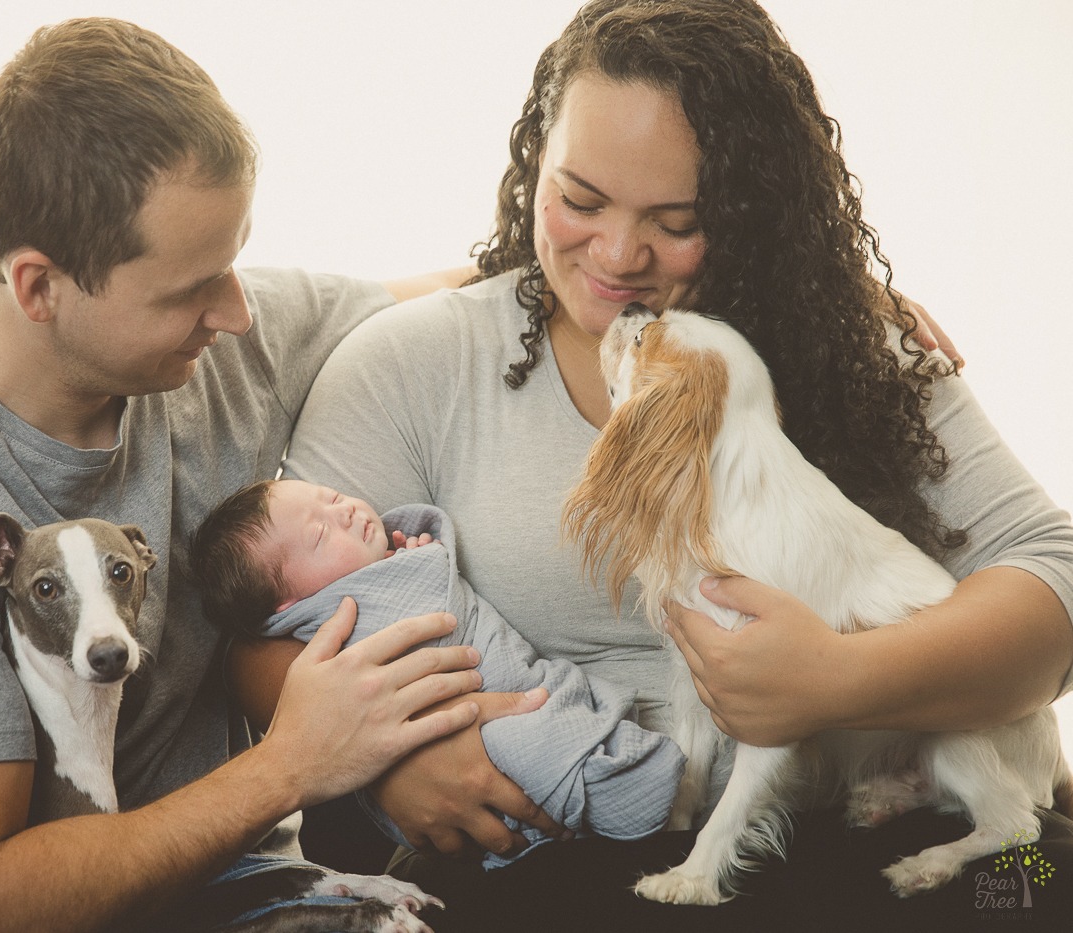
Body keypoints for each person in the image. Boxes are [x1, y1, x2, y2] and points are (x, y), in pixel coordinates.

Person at [0, 18, 574, 932]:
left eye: (231, 264)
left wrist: (596, 245)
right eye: (191, 289)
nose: (234, 312)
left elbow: (451, 298)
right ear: (38, 287)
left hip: (268, 888)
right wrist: (298, 761)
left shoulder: (211, 339)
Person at [231, 1, 1073, 928]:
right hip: (568, 848)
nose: (618, 256)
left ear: (754, 210)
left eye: (677, 221)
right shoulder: (412, 367)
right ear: (532, 164)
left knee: (1036, 884)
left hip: (879, 822)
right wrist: (386, 760)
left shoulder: (852, 345)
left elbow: (1054, 582)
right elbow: (271, 621)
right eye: (581, 200)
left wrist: (836, 679)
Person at [192, 478, 685, 867]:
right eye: (321, 535)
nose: (342, 511)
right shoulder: (329, 625)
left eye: (333, 496)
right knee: (532, 747)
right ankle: (638, 786)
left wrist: (406, 560)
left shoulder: (386, 559)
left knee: (544, 711)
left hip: (514, 683)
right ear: (291, 607)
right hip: (465, 734)